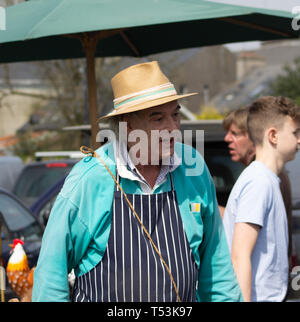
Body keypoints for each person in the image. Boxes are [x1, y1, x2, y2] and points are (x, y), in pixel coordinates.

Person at [32, 61, 242, 302]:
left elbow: (216, 265)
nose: (173, 128)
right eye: (158, 119)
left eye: (175, 115)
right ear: (129, 126)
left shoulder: (192, 167)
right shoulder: (90, 179)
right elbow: (50, 275)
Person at [223, 96, 300, 302]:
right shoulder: (259, 182)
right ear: (273, 135)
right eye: (295, 133)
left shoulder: (266, 179)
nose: (299, 140)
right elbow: (240, 256)